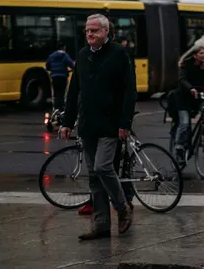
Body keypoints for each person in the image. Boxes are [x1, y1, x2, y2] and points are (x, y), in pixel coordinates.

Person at [60, 14, 136, 241]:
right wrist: (67, 121)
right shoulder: (83, 56)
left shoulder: (119, 54)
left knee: (103, 167)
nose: (90, 34)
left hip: (111, 123)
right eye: (87, 31)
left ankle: (122, 208)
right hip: (88, 123)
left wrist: (125, 123)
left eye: (94, 30)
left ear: (106, 32)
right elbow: (74, 91)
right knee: (93, 176)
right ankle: (101, 225)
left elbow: (129, 92)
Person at [45, 42, 74, 111]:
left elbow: (47, 66)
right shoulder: (65, 55)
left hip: (54, 77)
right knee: (62, 93)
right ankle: (61, 109)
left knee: (56, 93)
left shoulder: (51, 56)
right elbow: (71, 65)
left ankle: (56, 108)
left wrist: (53, 70)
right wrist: (70, 70)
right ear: (64, 47)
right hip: (63, 77)